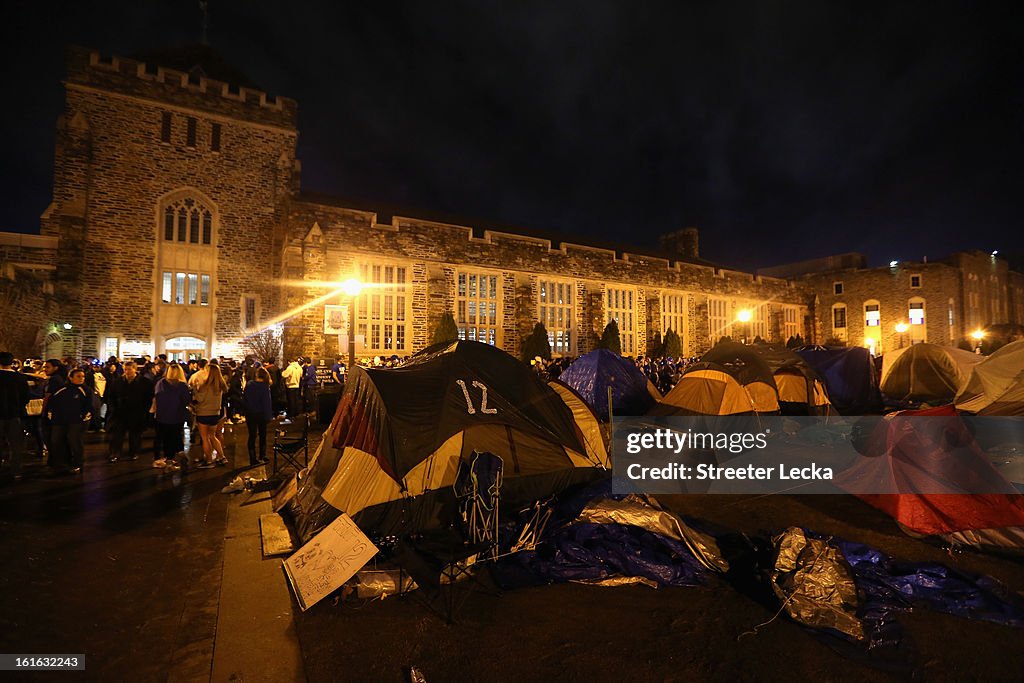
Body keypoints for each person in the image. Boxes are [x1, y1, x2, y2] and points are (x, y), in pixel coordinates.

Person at [106, 360, 154, 462]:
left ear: (135, 369)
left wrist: (144, 410)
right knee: (117, 435)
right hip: (120, 412)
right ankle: (115, 453)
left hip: (136, 412)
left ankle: (134, 452)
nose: (127, 372)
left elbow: (148, 397)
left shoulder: (144, 382)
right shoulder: (117, 381)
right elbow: (111, 396)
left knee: (135, 435)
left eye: (129, 369)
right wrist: (113, 408)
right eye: (125, 369)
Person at [47, 367, 91, 475]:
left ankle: (77, 464)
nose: (81, 379)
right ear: (70, 378)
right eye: (78, 376)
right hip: (59, 420)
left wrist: (84, 416)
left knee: (75, 442)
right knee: (56, 441)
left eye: (83, 376)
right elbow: (52, 402)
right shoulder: (61, 389)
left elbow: (88, 405)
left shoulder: (85, 390)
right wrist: (51, 413)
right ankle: (59, 463)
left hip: (76, 421)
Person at [152, 364, 191, 470]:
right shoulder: (182, 386)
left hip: (162, 415)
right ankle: (178, 453)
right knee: (176, 435)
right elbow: (187, 400)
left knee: (166, 438)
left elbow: (156, 396)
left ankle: (169, 458)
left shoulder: (160, 383)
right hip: (177, 416)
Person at [192, 362, 228, 468]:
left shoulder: (205, 386)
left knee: (205, 438)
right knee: (213, 436)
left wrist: (195, 390)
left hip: (203, 413)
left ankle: (208, 460)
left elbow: (199, 399)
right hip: (215, 413)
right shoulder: (220, 386)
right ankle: (222, 456)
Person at [0, 351, 29, 480]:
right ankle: (16, 470)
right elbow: (25, 397)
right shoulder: (20, 378)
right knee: (16, 444)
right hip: (15, 414)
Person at [243, 367, 273, 466]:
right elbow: (267, 402)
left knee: (252, 436)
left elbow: (245, 399)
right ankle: (262, 455)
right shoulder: (265, 386)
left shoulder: (249, 385)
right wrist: (269, 416)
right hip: (262, 414)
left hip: (251, 413)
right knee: (262, 435)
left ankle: (252, 458)